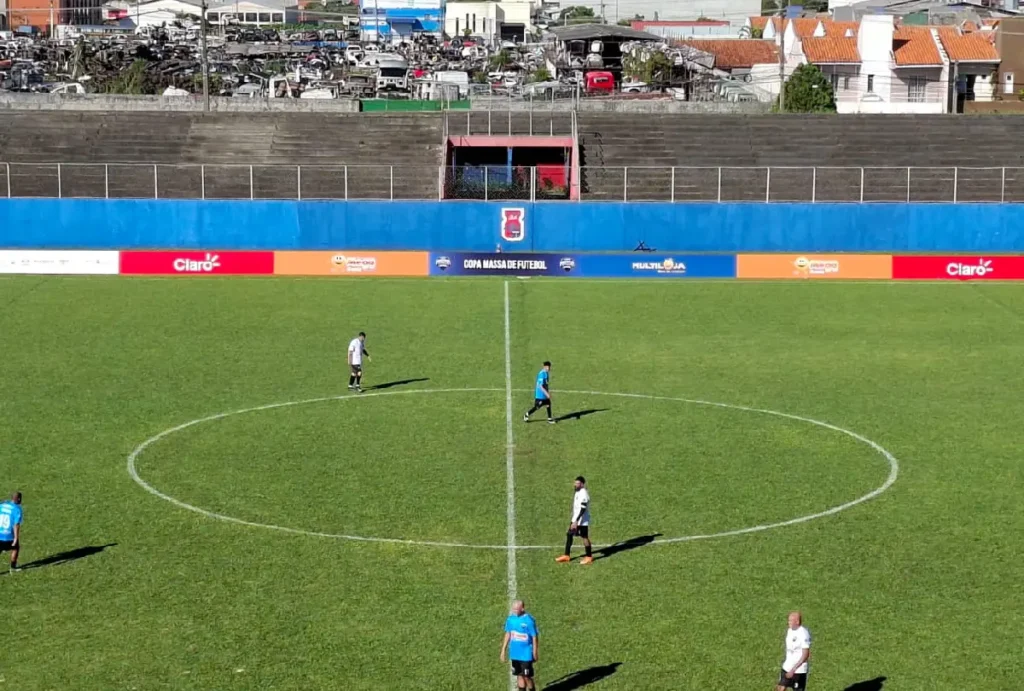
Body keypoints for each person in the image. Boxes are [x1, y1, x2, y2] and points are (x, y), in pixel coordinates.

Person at [500, 599, 539, 690]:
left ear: (522, 608)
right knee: (519, 675)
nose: (514, 611)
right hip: (515, 653)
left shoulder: (529, 621)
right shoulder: (510, 619)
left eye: (516, 609)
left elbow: (534, 637)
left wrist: (535, 652)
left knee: (527, 676)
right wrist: (503, 651)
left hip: (526, 654)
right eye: (513, 609)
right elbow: (508, 634)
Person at [556, 476, 592, 565]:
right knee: (569, 534)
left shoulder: (583, 494)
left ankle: (589, 557)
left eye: (577, 483)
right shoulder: (577, 491)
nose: (575, 485)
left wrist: (576, 521)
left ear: (582, 484)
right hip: (576, 518)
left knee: (584, 537)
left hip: (582, 520)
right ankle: (566, 555)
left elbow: (583, 509)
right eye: (575, 483)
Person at [777, 611, 812, 691]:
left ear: (797, 622)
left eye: (790, 620)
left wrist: (793, 670)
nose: (788, 622)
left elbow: (806, 655)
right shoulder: (790, 630)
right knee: (780, 688)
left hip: (798, 671)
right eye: (788, 620)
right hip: (787, 667)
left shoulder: (803, 634)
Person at [0, 492, 23, 573]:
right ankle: (13, 567)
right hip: (8, 535)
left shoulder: (2, 505)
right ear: (19, 499)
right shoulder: (17, 509)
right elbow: (16, 525)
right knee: (15, 548)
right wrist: (16, 538)